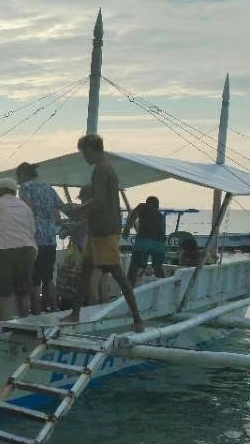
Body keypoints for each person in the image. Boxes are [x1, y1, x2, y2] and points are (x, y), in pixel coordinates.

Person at [65, 134, 144, 331]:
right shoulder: (105, 168)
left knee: (117, 273)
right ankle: (75, 313)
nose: (84, 157)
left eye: (84, 153)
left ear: (91, 149)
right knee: (85, 271)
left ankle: (138, 319)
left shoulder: (101, 168)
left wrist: (78, 210)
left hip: (104, 230)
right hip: (98, 229)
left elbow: (99, 200)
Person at [17, 161, 68, 312]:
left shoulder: (25, 188)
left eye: (18, 175)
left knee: (34, 280)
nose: (17, 179)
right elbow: (61, 207)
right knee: (48, 279)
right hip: (51, 239)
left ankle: (37, 312)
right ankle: (52, 308)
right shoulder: (48, 187)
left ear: (24, 174)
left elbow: (28, 211)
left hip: (35, 239)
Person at [0, 176, 37, 319]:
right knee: (23, 292)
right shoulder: (25, 207)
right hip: (27, 250)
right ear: (14, 192)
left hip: (3, 250)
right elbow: (32, 231)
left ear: (0, 191)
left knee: (5, 292)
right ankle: (25, 323)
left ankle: (6, 326)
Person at [125, 194, 168, 282]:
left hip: (144, 240)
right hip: (159, 244)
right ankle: (163, 286)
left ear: (148, 203)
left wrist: (127, 229)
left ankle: (129, 290)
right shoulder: (161, 215)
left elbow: (134, 214)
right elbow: (163, 232)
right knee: (157, 267)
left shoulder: (143, 206)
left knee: (134, 268)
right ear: (157, 205)